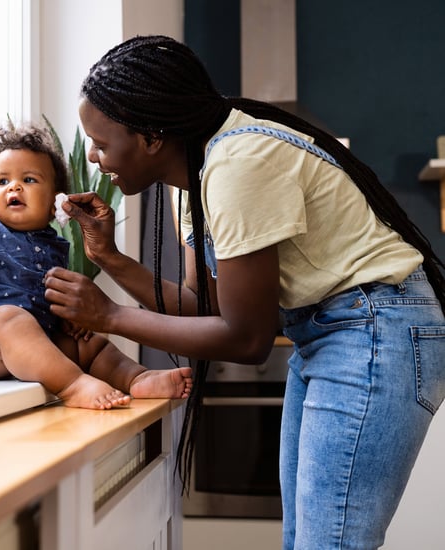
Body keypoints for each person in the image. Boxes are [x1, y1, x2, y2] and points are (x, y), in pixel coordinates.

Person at [43, 35, 445, 549]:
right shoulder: (196, 176)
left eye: (101, 142)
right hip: (334, 331)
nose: (95, 158)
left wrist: (109, 316)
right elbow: (203, 307)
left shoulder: (237, 164)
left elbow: (246, 339)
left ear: (150, 136)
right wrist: (109, 258)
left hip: (373, 328)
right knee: (309, 540)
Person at [0, 122, 192, 410]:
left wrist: (69, 318)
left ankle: (136, 378)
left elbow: (50, 298)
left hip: (33, 347)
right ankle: (73, 385)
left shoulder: (54, 246)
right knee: (9, 319)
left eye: (29, 180)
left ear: (56, 201)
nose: (14, 186)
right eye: (2, 181)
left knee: (91, 345)